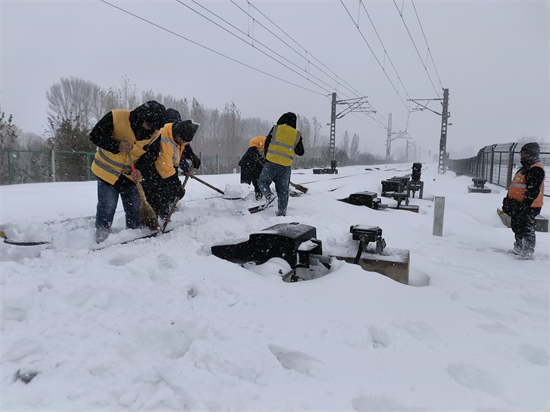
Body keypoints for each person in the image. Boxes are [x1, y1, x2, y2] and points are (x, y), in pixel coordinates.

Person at [90, 100, 166, 243]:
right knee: (107, 206)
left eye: (155, 127)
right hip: (107, 172)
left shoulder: (155, 134)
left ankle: (134, 234)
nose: (151, 129)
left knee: (135, 208)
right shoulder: (116, 117)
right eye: (150, 125)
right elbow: (95, 135)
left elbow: (152, 155)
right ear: (142, 116)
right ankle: (102, 235)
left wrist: (140, 170)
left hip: (130, 176)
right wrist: (116, 145)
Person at [137, 118, 200, 220]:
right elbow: (164, 167)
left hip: (167, 169)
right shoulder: (164, 138)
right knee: (155, 195)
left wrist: (192, 156)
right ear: (177, 134)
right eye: (181, 139)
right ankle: (152, 221)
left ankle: (164, 216)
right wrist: (177, 185)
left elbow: (184, 145)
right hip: (153, 170)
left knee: (167, 193)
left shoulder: (178, 134)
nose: (182, 142)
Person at [258, 112, 304, 216]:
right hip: (286, 166)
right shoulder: (296, 134)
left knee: (263, 182)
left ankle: (270, 196)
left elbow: (267, 143)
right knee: (283, 191)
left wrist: (267, 157)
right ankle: (282, 213)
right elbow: (300, 152)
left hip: (271, 162)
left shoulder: (276, 129)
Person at [505, 142, 545, 258]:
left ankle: (527, 251)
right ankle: (518, 247)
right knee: (517, 226)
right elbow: (517, 186)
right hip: (518, 204)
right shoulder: (525, 168)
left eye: (525, 153)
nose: (522, 156)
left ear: (532, 154)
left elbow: (533, 191)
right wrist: (509, 201)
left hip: (529, 206)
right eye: (522, 153)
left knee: (526, 227)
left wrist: (525, 205)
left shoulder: (536, 169)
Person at [239, 135, 266, 200]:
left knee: (248, 182)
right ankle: (244, 197)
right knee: (248, 183)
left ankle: (245, 196)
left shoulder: (255, 150)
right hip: (250, 164)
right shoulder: (254, 151)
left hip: (251, 164)